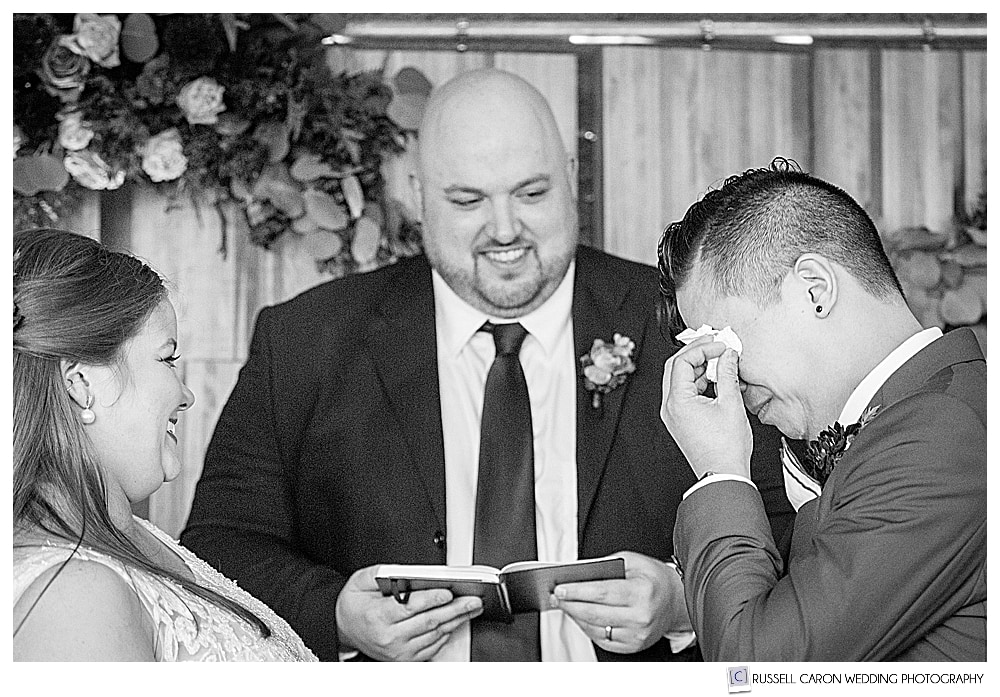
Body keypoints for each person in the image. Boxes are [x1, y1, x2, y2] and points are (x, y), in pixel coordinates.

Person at [181, 68, 791, 662]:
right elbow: (218, 545)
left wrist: (685, 600)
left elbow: (792, 526)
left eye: (531, 193)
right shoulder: (304, 341)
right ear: (419, 196)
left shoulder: (681, 326)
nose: (505, 229)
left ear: (572, 177)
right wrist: (336, 613)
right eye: (468, 200)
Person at [658, 158, 986, 661]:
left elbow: (756, 672)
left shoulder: (940, 436)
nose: (724, 376)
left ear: (815, 290)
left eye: (725, 342)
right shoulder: (901, 424)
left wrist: (720, 474)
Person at [13, 228, 317, 662]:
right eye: (167, 359)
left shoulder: (131, 537)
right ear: (80, 384)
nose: (186, 394)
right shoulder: (74, 597)